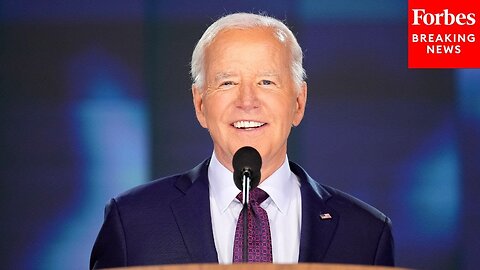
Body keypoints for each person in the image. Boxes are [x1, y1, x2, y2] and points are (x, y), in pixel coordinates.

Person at [90, 12, 394, 269]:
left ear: (298, 102)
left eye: (266, 82)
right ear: (200, 105)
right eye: (227, 82)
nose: (247, 101)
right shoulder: (132, 221)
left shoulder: (366, 233)